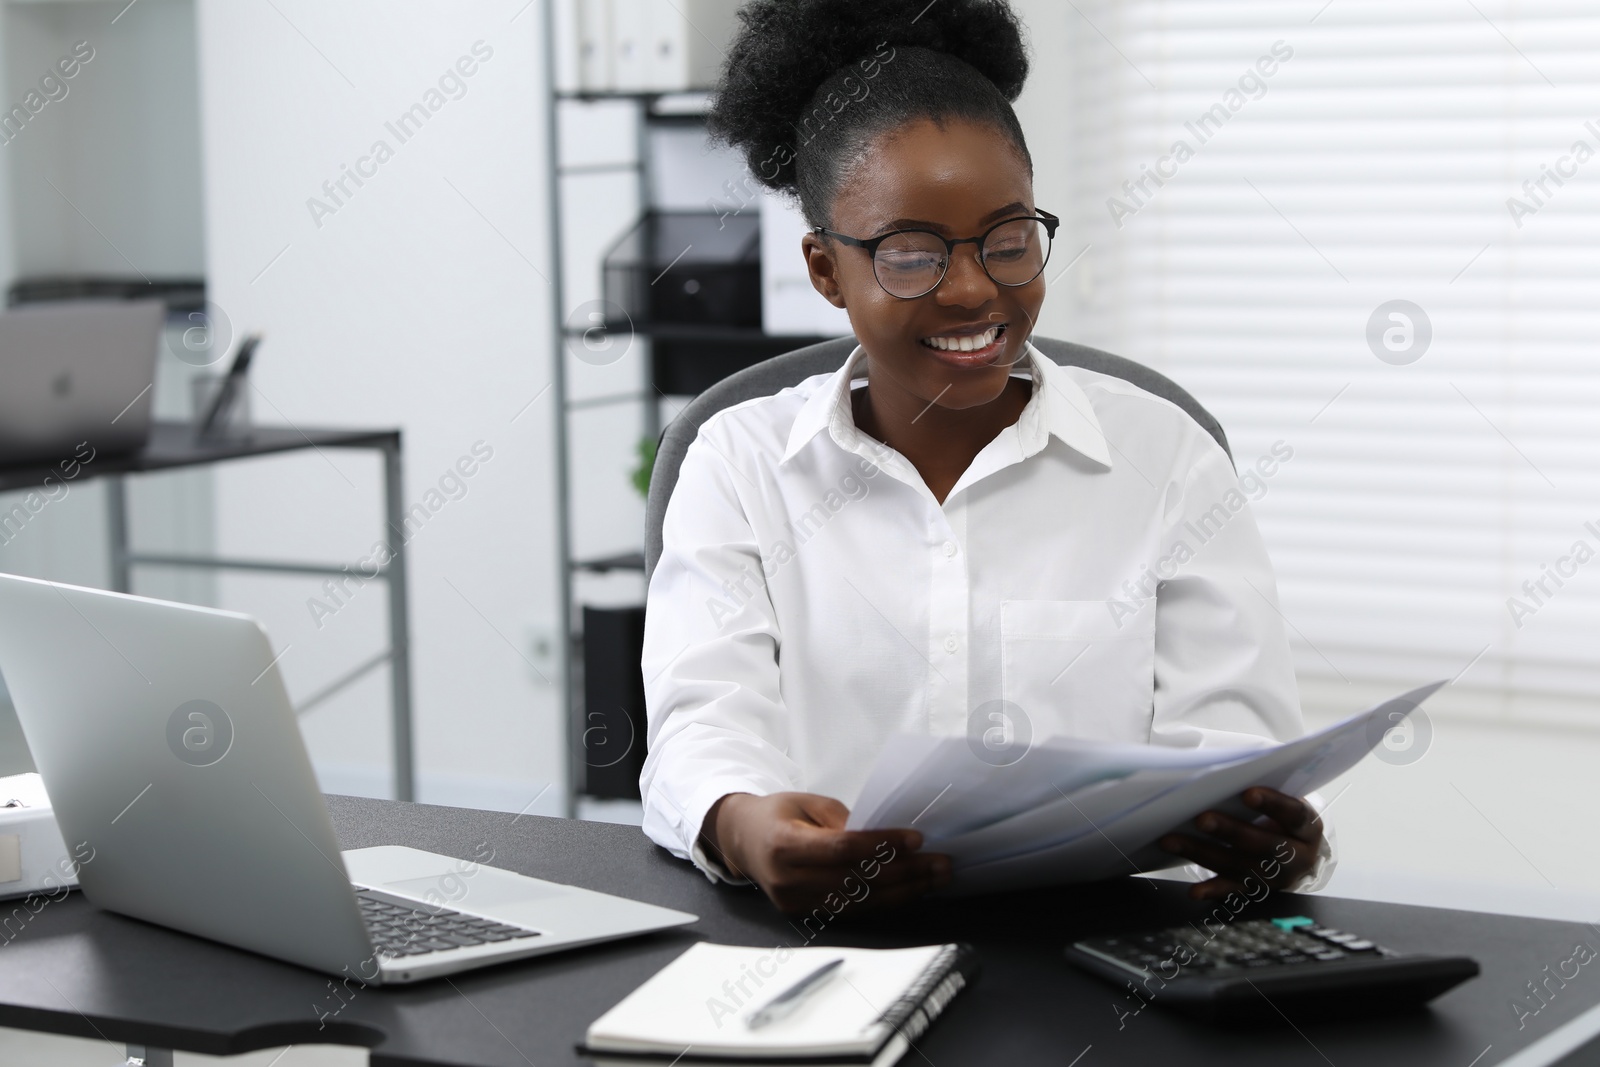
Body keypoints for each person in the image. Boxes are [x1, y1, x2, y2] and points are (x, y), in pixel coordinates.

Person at [639, 0, 1331, 914]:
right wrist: (744, 824)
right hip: (823, 951)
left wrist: (1267, 839)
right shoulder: (739, 460)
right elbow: (703, 720)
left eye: (1008, 242)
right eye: (912, 255)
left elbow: (1238, 748)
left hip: (1105, 968)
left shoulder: (1163, 457)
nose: (974, 291)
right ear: (824, 268)